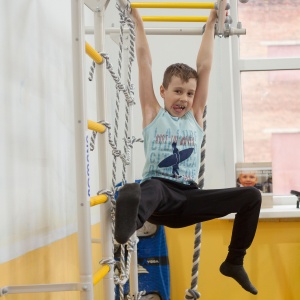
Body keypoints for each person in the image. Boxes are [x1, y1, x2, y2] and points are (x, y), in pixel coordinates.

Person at [115, 7, 262, 295]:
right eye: (178, 91)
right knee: (151, 187)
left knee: (251, 196)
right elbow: (144, 61)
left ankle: (234, 261)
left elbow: (204, 65)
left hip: (189, 199)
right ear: (163, 91)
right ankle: (129, 223)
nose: (184, 98)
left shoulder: (195, 116)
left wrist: (210, 25)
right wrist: (138, 22)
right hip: (160, 198)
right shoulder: (152, 113)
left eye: (189, 93)